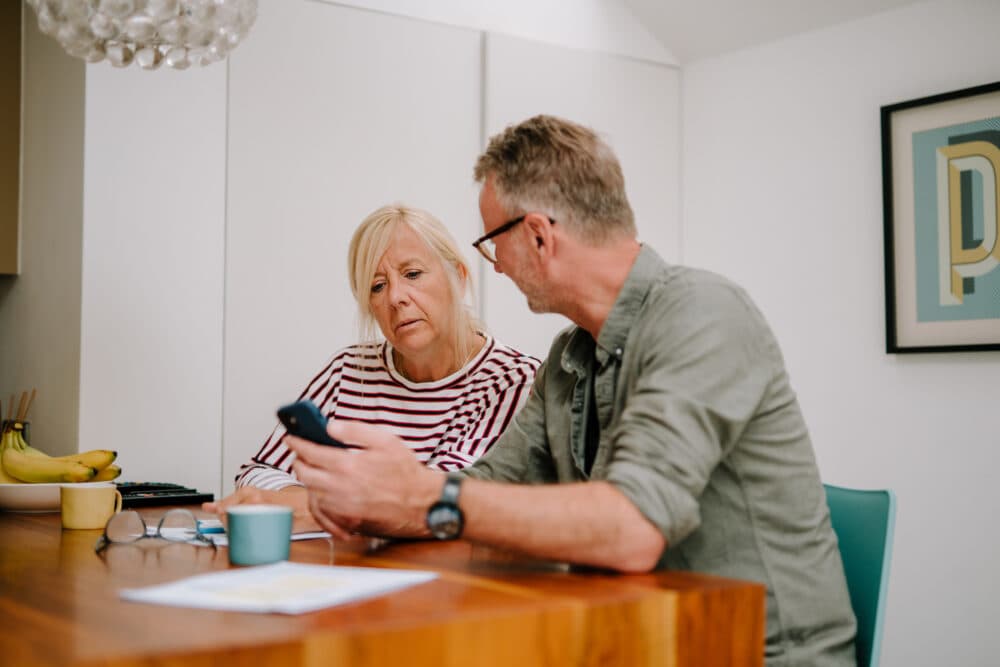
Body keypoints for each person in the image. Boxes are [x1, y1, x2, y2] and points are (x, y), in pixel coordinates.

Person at [285, 116, 857, 665]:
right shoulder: (567, 357)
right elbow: (482, 490)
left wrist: (424, 496)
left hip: (748, 651)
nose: (497, 267)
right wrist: (376, 498)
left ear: (537, 235)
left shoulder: (704, 313)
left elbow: (632, 527)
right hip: (633, 638)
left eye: (491, 243)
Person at [204, 204, 540, 531]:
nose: (396, 297)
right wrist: (320, 504)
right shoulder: (348, 370)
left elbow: (443, 501)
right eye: (377, 286)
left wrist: (311, 507)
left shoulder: (512, 382)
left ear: (459, 277)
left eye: (412, 274)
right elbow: (259, 470)